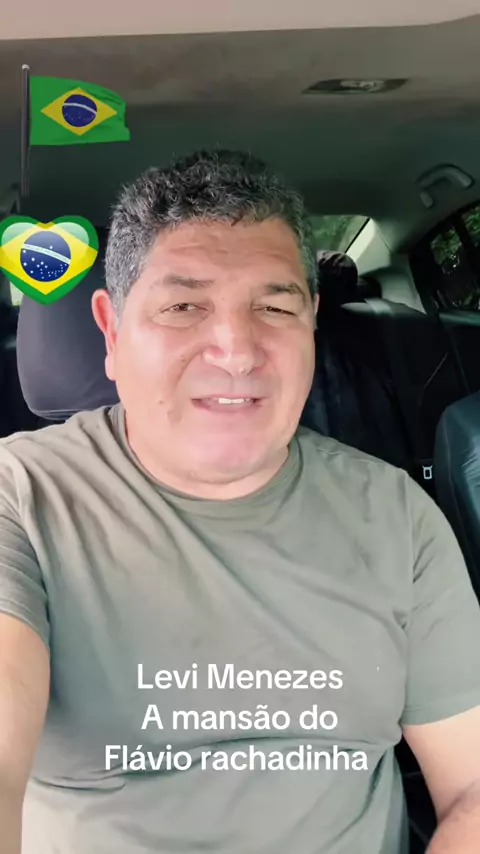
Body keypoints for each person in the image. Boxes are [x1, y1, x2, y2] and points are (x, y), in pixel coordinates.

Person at [1, 149, 480, 854]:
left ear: (311, 320)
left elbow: (471, 788)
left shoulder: (397, 514)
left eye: (274, 305)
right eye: (183, 306)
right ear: (112, 331)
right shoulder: (20, 495)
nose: (236, 350)